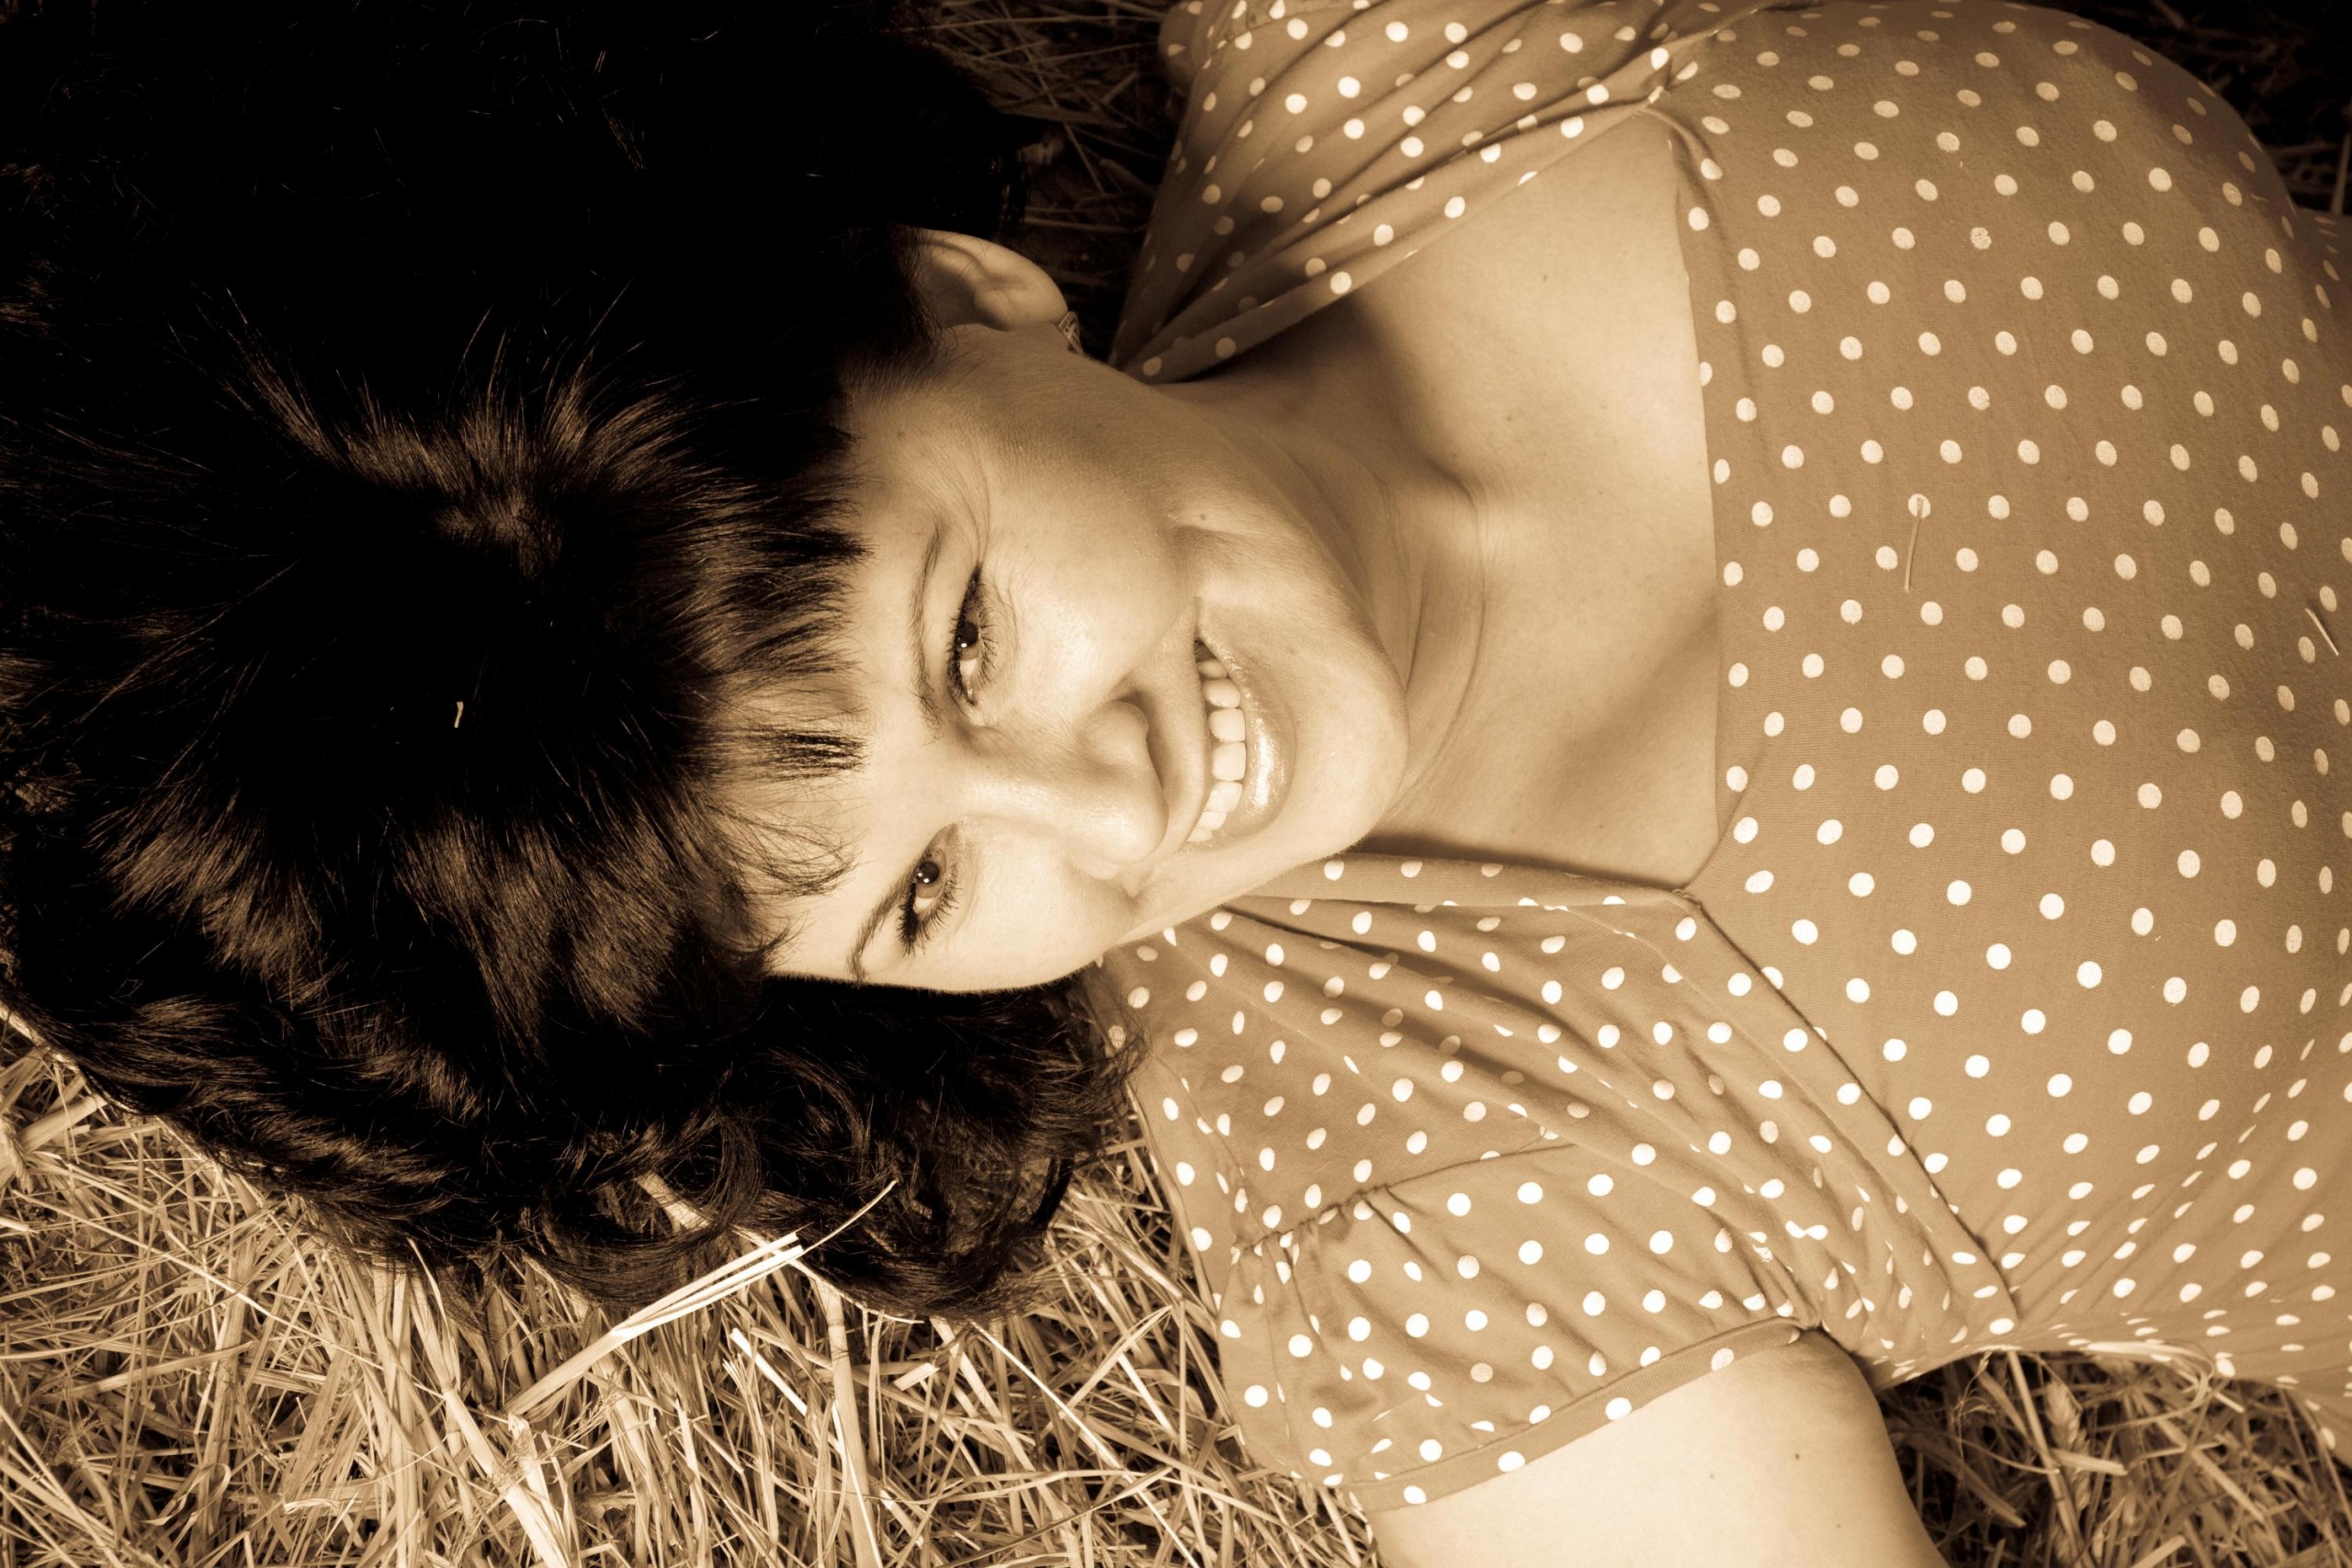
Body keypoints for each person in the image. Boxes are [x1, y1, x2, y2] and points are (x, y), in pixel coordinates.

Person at [0, 0, 2343, 1562]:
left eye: (968, 634)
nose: (1099, 809)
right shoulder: (1434, 1230)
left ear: (964, 299)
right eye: (924, 890)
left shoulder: (1404, 49)